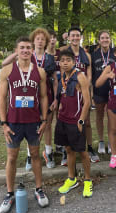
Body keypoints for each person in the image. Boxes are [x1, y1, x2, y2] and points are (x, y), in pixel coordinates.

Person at [0, 36, 49, 213]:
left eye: (28, 47)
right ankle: (9, 193)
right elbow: (2, 98)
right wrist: (4, 123)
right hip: (14, 121)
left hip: (33, 121)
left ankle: (39, 189)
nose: (26, 50)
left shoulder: (40, 72)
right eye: (22, 48)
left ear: (32, 50)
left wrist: (44, 120)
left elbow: (43, 97)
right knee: (12, 157)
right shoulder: (7, 70)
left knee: (35, 154)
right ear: (17, 50)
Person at [2, 28, 58, 170]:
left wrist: (56, 98)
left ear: (46, 42)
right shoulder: (26, 55)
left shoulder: (50, 58)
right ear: (33, 41)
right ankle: (30, 155)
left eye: (43, 39)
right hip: (28, 98)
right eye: (37, 39)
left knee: (46, 126)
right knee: (30, 126)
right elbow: (4, 63)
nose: (40, 41)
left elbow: (55, 80)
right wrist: (19, 50)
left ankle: (48, 152)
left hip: (46, 95)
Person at [55, 49, 92, 197]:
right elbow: (62, 96)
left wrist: (81, 120)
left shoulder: (80, 76)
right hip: (63, 119)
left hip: (76, 121)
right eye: (62, 60)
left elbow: (87, 101)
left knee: (82, 152)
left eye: (68, 60)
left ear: (73, 61)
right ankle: (72, 179)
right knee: (69, 150)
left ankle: (88, 181)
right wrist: (56, 105)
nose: (65, 63)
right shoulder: (62, 77)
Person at [63, 26, 100, 163]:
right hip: (69, 92)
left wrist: (83, 85)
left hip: (83, 92)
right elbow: (62, 73)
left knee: (87, 121)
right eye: (72, 35)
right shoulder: (65, 53)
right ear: (68, 37)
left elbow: (89, 75)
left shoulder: (87, 55)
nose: (75, 38)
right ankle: (67, 151)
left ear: (80, 37)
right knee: (67, 121)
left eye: (77, 35)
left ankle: (89, 147)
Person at [91, 30, 116, 154]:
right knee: (99, 116)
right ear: (99, 40)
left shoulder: (115, 53)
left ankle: (111, 141)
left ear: (110, 39)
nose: (105, 40)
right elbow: (91, 75)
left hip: (113, 91)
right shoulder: (94, 55)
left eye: (107, 37)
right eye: (102, 38)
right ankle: (101, 141)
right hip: (98, 90)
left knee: (111, 117)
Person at [46, 30, 67, 166]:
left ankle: (62, 146)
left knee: (62, 120)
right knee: (48, 122)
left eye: (54, 38)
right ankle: (48, 151)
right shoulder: (42, 55)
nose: (53, 40)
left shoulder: (61, 52)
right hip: (47, 92)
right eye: (50, 38)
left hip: (63, 90)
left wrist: (67, 39)